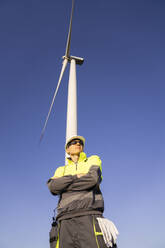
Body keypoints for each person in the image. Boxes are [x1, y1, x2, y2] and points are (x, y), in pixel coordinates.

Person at [47, 135, 118, 248]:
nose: (78, 143)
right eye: (73, 142)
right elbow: (53, 186)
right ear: (67, 150)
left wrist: (65, 184)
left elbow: (93, 179)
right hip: (64, 221)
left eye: (80, 142)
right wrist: (77, 177)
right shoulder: (61, 169)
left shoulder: (93, 159)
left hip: (89, 216)